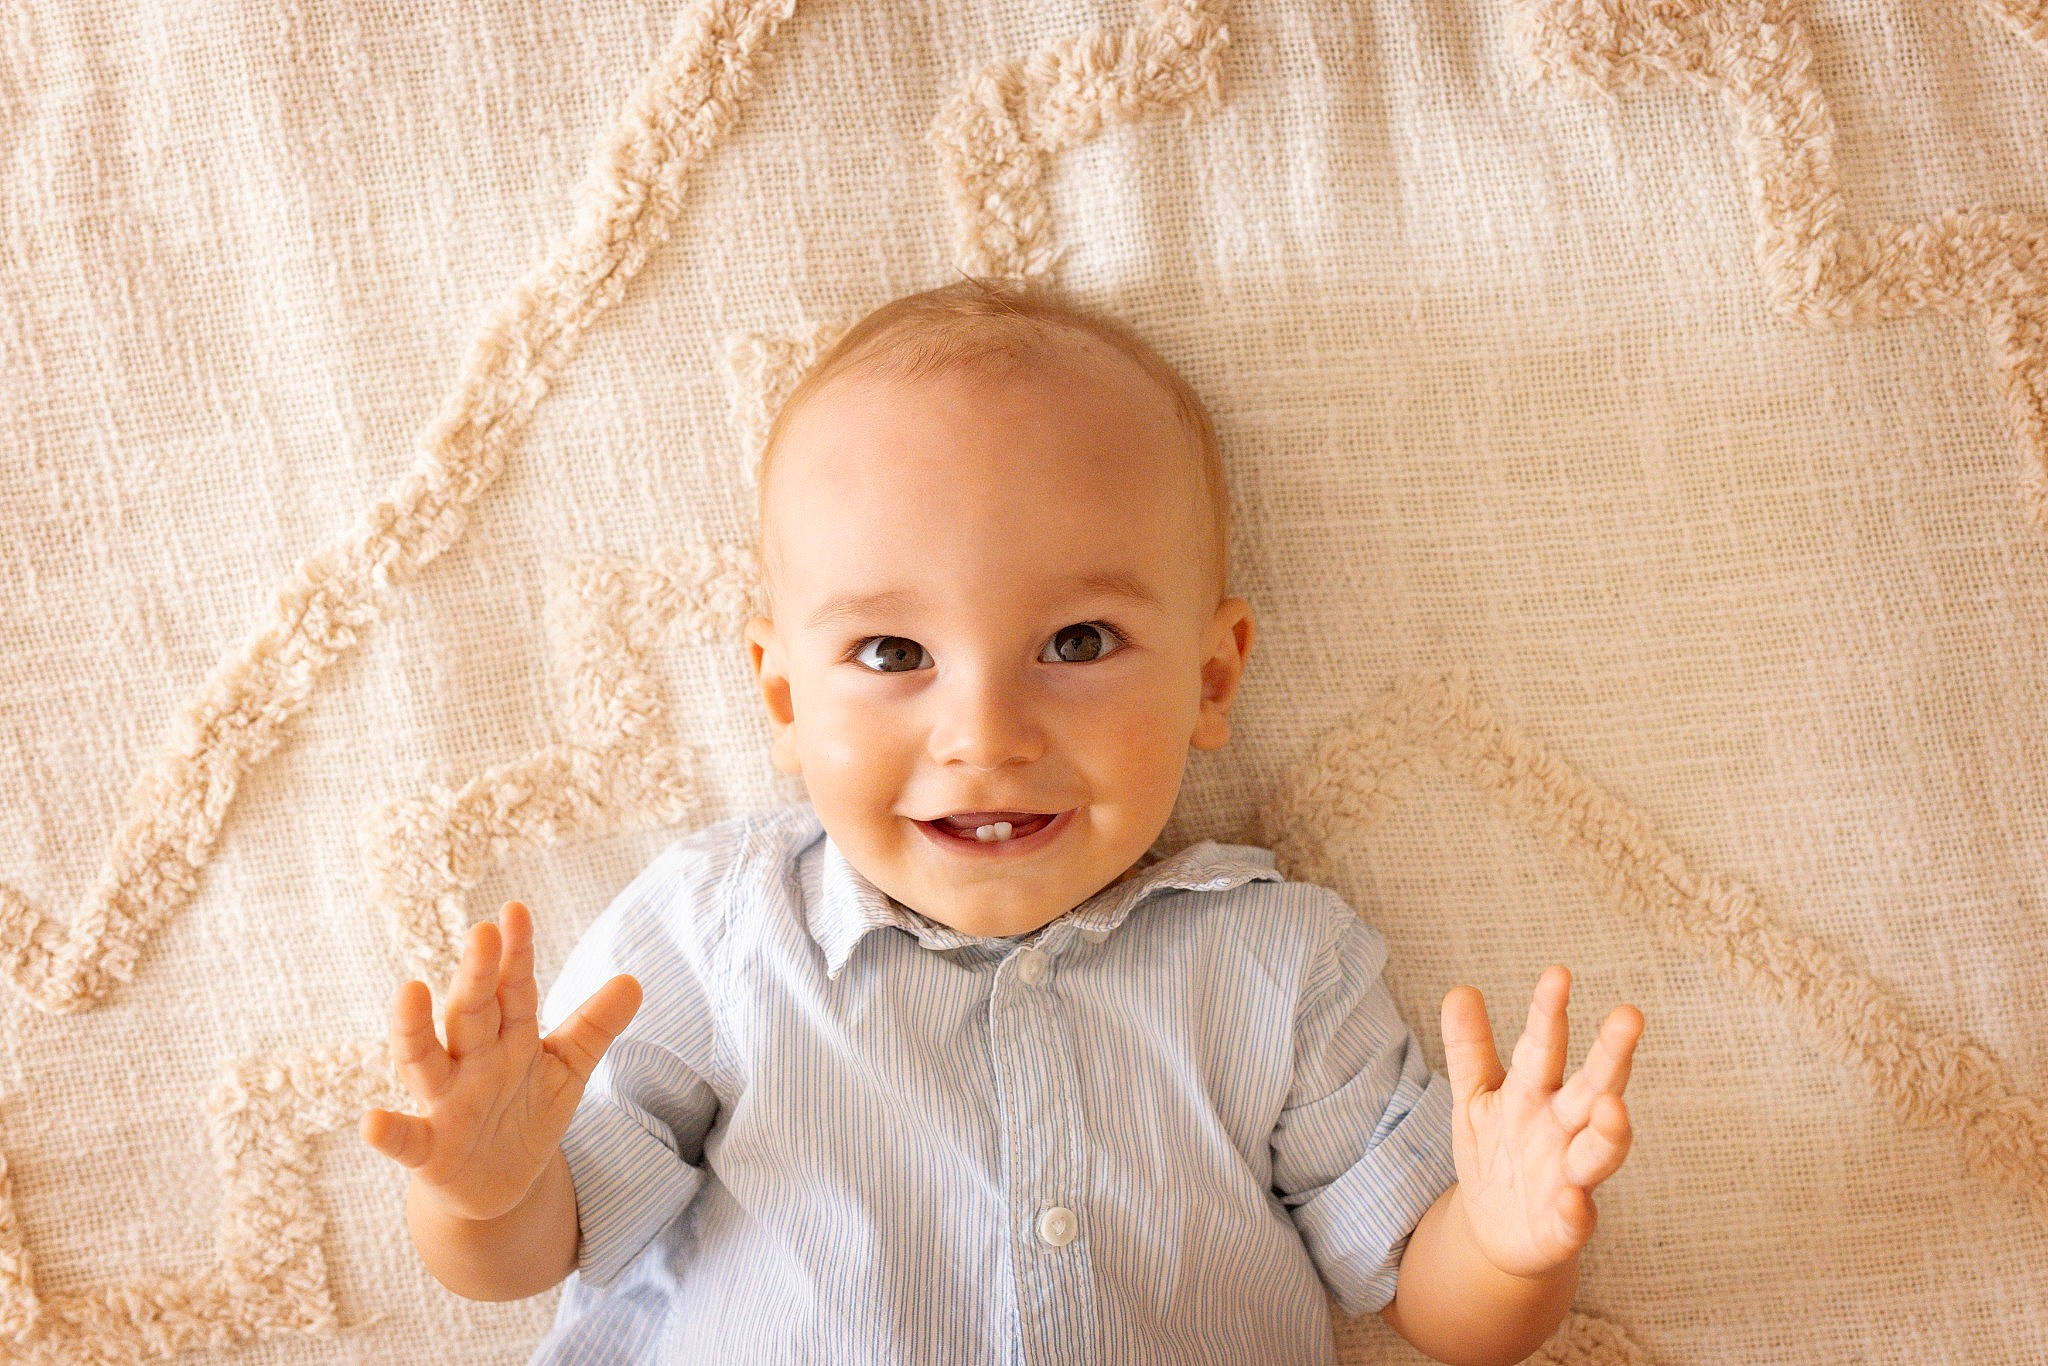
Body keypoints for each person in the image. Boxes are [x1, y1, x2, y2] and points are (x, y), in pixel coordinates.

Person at [359, 274, 1644, 1366]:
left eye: (1076, 641)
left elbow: (1431, 1300)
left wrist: (1502, 1236)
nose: (986, 732)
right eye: (890, 650)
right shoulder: (722, 938)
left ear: (1210, 677)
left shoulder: (1277, 967)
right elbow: (547, 1241)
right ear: (782, 695)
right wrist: (481, 1189)